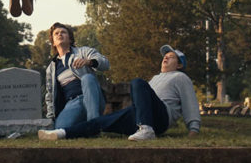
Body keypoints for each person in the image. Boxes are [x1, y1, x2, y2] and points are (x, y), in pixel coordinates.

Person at [39, 44, 201, 141]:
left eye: (171, 57)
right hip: (140, 115)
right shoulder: (155, 78)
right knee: (100, 122)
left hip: (160, 117)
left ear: (179, 65)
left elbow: (190, 102)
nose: (165, 58)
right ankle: (61, 133)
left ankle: (146, 129)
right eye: (165, 56)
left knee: (137, 82)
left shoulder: (180, 77)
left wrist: (193, 129)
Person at [44, 22, 110, 129]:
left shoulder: (83, 51)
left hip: (92, 97)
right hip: (73, 103)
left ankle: (94, 125)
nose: (60, 34)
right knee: (61, 128)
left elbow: (105, 64)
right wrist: (51, 118)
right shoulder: (51, 68)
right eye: (56, 33)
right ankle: (83, 125)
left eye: (63, 32)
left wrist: (89, 62)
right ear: (53, 43)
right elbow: (49, 96)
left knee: (87, 78)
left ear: (70, 39)